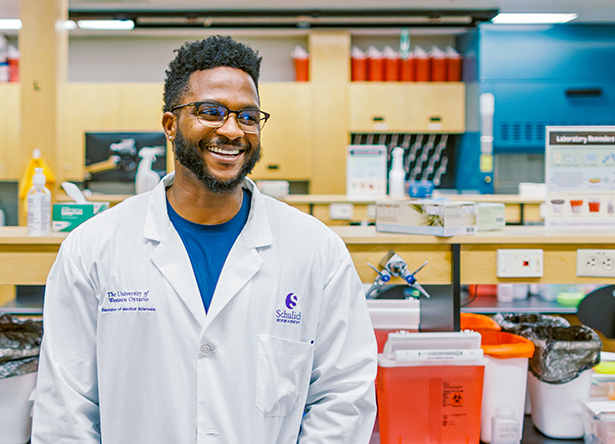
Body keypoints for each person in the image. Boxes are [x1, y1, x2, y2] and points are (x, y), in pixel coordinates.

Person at [31, 35, 377, 443]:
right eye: (210, 112)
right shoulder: (93, 248)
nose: (232, 130)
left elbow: (343, 395)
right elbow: (65, 412)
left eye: (248, 116)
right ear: (170, 125)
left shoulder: (316, 251)